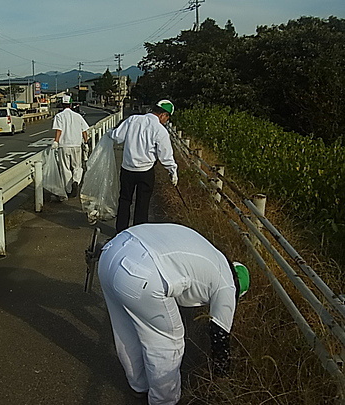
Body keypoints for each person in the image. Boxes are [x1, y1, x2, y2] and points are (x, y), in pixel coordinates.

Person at [97, 223, 250, 405]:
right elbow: (219, 335)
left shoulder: (213, 254)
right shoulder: (228, 286)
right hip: (141, 273)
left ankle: (138, 385)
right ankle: (164, 401)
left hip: (112, 251)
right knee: (168, 342)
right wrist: (222, 376)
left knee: (126, 329)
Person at [109, 100, 178, 233]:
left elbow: (117, 137)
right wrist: (172, 170)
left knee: (124, 200)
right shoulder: (160, 130)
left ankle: (120, 231)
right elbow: (165, 155)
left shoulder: (133, 119)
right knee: (142, 204)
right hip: (145, 171)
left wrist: (110, 133)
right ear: (163, 115)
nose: (166, 121)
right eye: (167, 117)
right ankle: (138, 232)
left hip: (127, 169)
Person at [51, 95, 90, 198]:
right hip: (76, 145)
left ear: (62, 104)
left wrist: (56, 141)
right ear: (71, 104)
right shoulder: (78, 116)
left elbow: (59, 130)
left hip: (64, 145)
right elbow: (84, 131)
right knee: (77, 167)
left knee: (65, 168)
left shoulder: (59, 116)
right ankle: (76, 181)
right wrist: (86, 142)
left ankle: (68, 189)